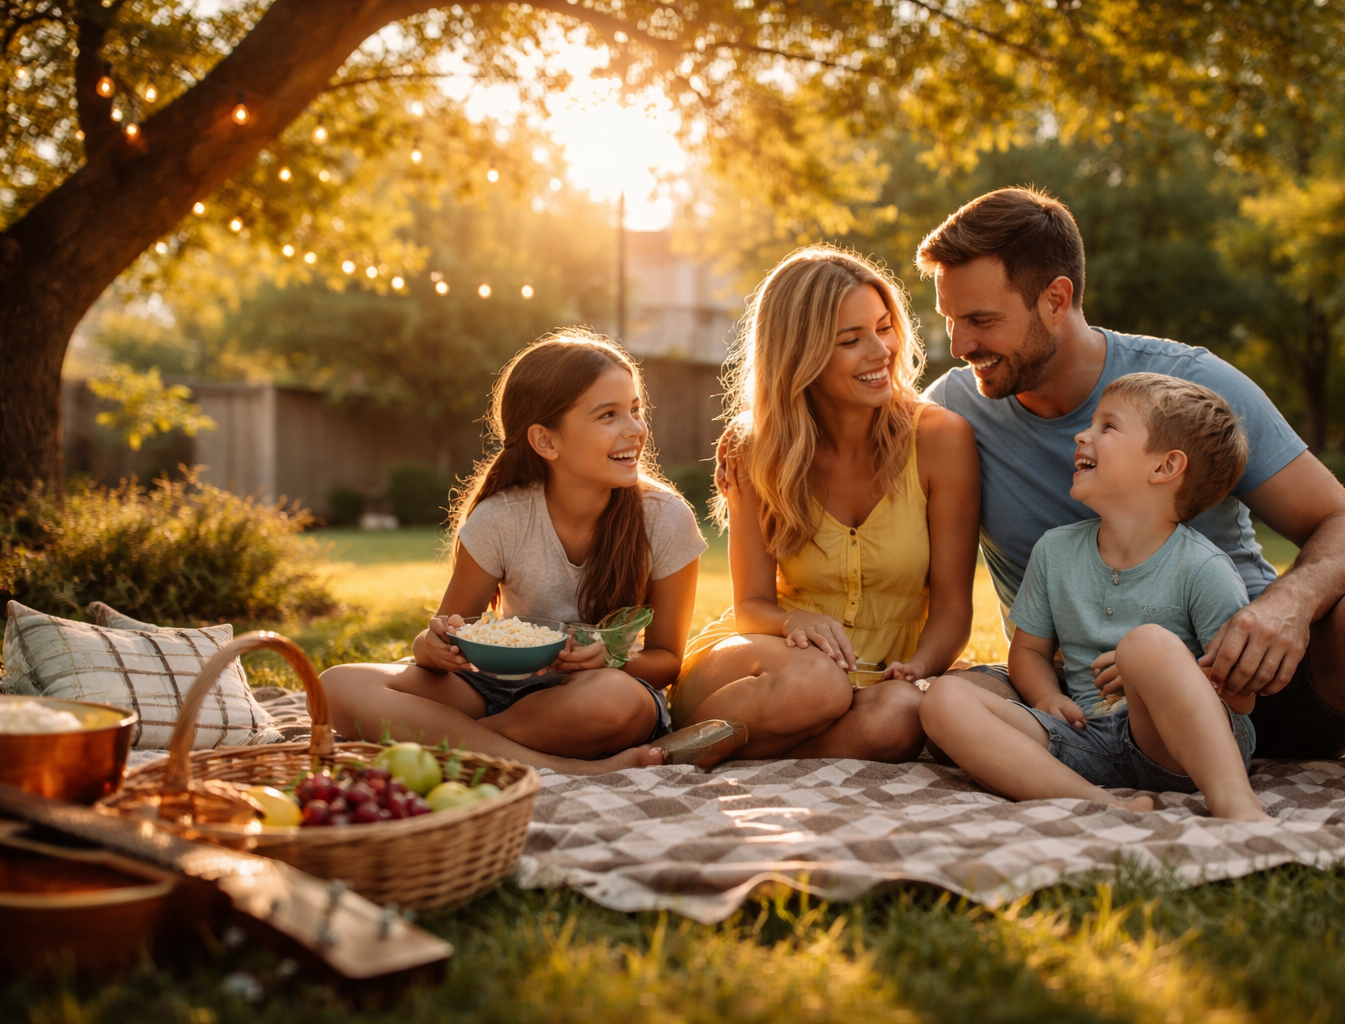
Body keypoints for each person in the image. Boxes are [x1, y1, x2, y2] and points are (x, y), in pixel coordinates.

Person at [917, 187, 1345, 799]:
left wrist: (1286, 606)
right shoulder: (949, 413)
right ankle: (1101, 799)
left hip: (1254, 674)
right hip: (1084, 702)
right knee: (933, 703)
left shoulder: (1184, 384)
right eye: (950, 320)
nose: (960, 344)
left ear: (1056, 299)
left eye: (981, 320)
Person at [321, 330, 707, 773]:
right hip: (495, 688)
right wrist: (432, 645)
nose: (635, 429)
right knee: (337, 685)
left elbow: (668, 661)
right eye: (608, 415)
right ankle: (558, 765)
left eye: (636, 410)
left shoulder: (666, 519)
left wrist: (614, 659)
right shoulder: (501, 519)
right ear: (546, 441)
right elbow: (444, 642)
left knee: (616, 704)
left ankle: (447, 741)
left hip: (600, 692)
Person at [670, 246, 981, 761]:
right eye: (850, 340)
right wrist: (792, 623)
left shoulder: (941, 440)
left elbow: (952, 608)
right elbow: (751, 608)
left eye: (884, 327)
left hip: (883, 678)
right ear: (800, 355)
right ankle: (712, 739)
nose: (881, 351)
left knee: (901, 717)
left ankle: (733, 749)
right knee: (819, 685)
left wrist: (921, 666)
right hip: (768, 666)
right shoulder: (755, 449)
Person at [922, 374, 1270, 820]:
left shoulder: (1203, 568)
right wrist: (1048, 698)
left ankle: (1235, 802)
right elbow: (1028, 650)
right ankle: (1097, 801)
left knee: (1147, 644)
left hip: (1177, 751)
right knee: (943, 699)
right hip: (1086, 738)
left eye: (1108, 427)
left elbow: (1241, 699)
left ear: (1165, 467)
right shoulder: (1055, 550)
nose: (1082, 434)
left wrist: (1156, 675)